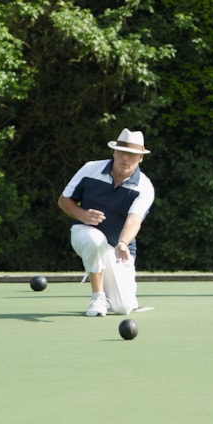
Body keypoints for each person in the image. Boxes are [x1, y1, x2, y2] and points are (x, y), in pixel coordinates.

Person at [57, 128, 155, 317]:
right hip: (84, 232)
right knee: (95, 241)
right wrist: (82, 215)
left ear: (140, 158)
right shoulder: (90, 169)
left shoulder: (144, 187)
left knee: (123, 308)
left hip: (117, 247)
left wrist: (122, 243)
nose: (126, 158)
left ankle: (104, 275)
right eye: (122, 153)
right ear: (114, 152)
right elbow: (64, 200)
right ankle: (97, 296)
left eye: (132, 155)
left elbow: (134, 220)